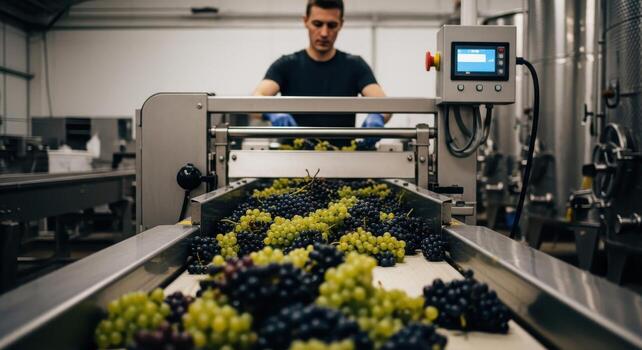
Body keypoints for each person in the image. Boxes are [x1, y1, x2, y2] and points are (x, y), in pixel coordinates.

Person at [253, 0, 390, 134]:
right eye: (317, 24)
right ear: (305, 21)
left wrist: (378, 116)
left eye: (331, 25)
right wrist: (271, 112)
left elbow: (385, 106)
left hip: (342, 154)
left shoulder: (355, 65)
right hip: (293, 153)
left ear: (341, 24)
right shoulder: (286, 64)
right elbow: (255, 100)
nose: (324, 33)